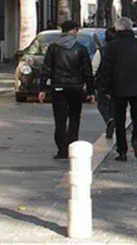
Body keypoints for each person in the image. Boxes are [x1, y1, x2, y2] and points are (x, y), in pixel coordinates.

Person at [39, 21, 95, 160]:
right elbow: (87, 71)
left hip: (58, 86)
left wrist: (42, 88)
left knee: (60, 120)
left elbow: (46, 69)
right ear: (74, 31)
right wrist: (91, 91)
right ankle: (72, 146)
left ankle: (62, 151)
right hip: (76, 87)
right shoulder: (81, 49)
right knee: (75, 117)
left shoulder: (53, 48)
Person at [98, 17, 137, 162]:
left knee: (119, 120)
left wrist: (105, 89)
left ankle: (122, 151)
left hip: (118, 88)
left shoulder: (111, 46)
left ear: (117, 29)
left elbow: (106, 70)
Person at [92, 27, 117, 139]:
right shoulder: (121, 51)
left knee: (102, 104)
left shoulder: (101, 51)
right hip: (118, 82)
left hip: (103, 82)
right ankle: (111, 124)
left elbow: (93, 69)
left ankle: (109, 120)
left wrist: (90, 84)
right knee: (114, 105)